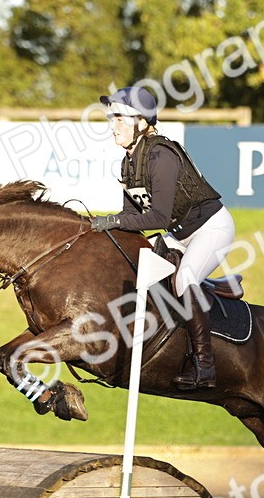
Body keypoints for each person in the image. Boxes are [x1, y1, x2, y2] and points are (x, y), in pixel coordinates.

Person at [89, 86, 235, 390]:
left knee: (184, 280)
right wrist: (100, 229)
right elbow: (132, 219)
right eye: (111, 117)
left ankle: (205, 367)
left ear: (141, 122)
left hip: (211, 228)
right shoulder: (129, 163)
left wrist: (111, 221)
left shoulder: (160, 154)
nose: (112, 125)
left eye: (119, 118)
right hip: (179, 234)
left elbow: (156, 218)